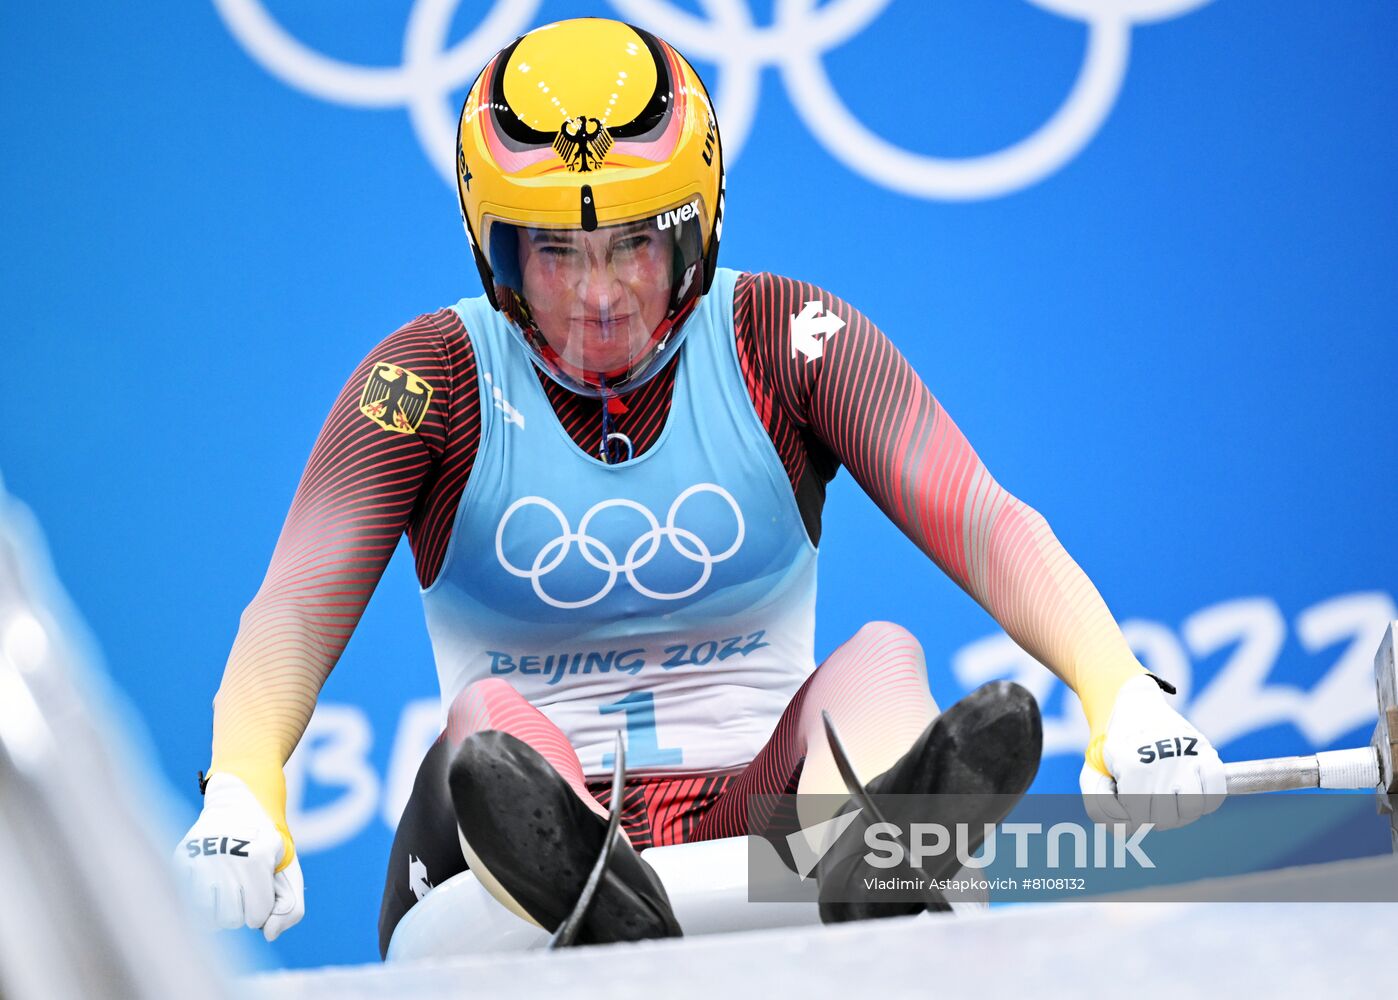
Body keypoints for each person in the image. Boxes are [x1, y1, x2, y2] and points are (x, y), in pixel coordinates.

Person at [174, 17, 1226, 951]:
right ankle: (614, 886)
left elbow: (982, 516)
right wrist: (241, 787)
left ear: (699, 223)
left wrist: (1121, 691)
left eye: (634, 242)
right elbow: (295, 607)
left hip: (771, 812)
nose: (597, 292)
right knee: (485, 722)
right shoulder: (428, 378)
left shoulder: (788, 337)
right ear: (493, 252)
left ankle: (876, 879)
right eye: (554, 250)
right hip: (499, 843)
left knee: (885, 660)